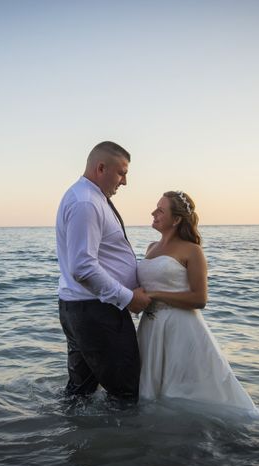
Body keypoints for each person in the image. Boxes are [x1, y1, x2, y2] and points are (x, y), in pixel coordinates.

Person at [136, 191, 256, 409]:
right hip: (150, 327)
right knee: (149, 394)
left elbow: (200, 299)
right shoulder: (151, 248)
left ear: (177, 219)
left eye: (160, 210)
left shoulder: (193, 251)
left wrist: (155, 295)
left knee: (183, 395)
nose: (153, 213)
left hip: (179, 327)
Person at [56, 141, 151, 401]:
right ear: (100, 168)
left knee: (80, 393)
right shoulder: (86, 202)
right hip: (97, 312)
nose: (125, 182)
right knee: (126, 392)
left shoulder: (89, 197)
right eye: (122, 173)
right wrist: (129, 298)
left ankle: (71, 438)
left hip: (84, 309)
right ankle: (124, 441)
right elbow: (82, 268)